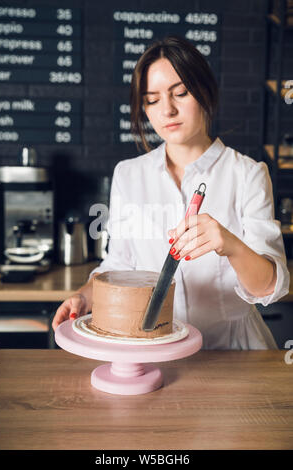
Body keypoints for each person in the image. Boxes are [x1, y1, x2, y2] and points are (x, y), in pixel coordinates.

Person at [52, 36, 289, 349]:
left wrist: (230, 244)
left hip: (233, 350)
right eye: (152, 100)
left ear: (205, 91)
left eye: (181, 93)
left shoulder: (247, 174)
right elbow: (119, 264)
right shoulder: (129, 174)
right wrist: (83, 296)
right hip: (156, 346)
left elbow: (269, 287)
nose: (168, 109)